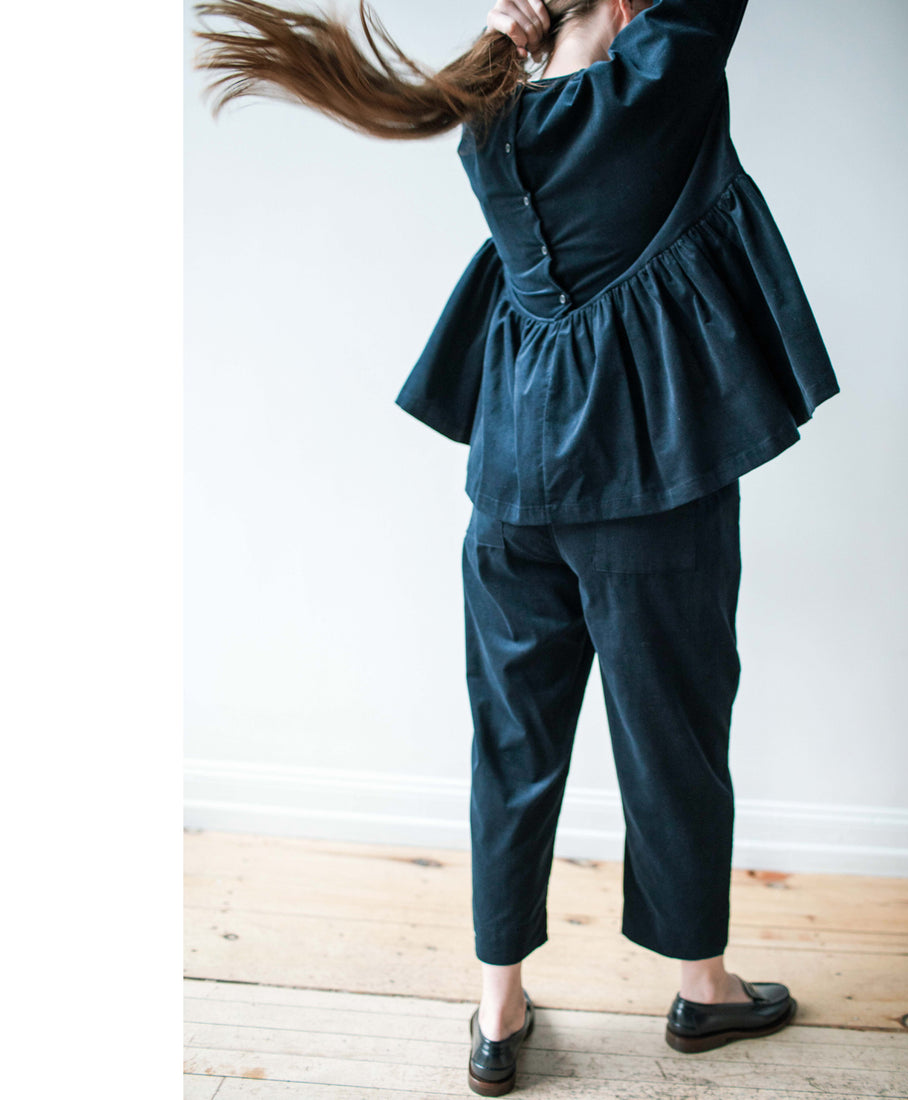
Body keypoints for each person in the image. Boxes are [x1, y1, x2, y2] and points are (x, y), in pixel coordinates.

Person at [192, 0, 839, 1093]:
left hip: (507, 480)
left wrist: (523, 35)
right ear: (628, 7)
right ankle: (702, 987)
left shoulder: (488, 119)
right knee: (673, 736)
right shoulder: (657, 78)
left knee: (511, 742)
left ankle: (498, 1011)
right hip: (645, 487)